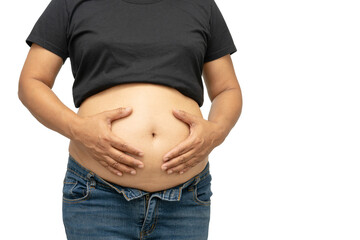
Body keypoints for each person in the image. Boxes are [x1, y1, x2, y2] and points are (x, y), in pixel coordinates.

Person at [18, 0, 242, 239]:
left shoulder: (200, 4)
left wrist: (217, 131)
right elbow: (32, 82)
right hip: (98, 196)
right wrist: (78, 128)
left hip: (185, 200)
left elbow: (227, 89)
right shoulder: (71, 3)